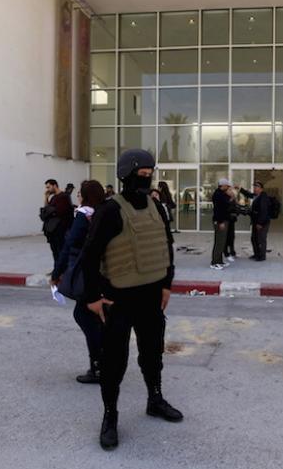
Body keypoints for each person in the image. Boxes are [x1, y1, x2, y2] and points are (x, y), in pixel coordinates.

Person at [82, 149, 183, 451]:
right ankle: (110, 416)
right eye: (141, 174)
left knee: (153, 354)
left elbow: (166, 247)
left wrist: (166, 284)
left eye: (150, 173)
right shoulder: (110, 210)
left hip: (151, 297)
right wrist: (92, 298)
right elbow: (89, 257)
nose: (147, 178)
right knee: (114, 362)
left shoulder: (157, 207)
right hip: (118, 299)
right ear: (126, 175)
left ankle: (155, 399)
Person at [51, 180, 106, 384]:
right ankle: (103, 362)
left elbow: (69, 244)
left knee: (83, 314)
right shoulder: (105, 211)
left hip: (86, 270)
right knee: (98, 317)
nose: (78, 197)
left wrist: (57, 272)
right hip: (105, 272)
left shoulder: (84, 214)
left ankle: (99, 366)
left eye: (80, 194)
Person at [43, 179, 73, 268]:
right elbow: (46, 209)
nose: (47, 189)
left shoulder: (63, 196)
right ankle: (57, 270)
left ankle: (61, 271)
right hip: (53, 230)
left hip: (61, 230)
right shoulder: (53, 197)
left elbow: (58, 212)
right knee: (55, 251)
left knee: (60, 251)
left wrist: (50, 211)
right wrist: (46, 198)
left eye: (48, 187)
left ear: (54, 185)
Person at [238, 181, 271, 261]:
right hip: (255, 221)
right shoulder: (257, 195)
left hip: (262, 223)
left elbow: (264, 211)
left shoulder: (263, 197)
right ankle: (256, 254)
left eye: (257, 187)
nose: (255, 188)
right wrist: (240, 189)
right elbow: (249, 195)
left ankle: (262, 256)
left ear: (261, 189)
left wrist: (260, 223)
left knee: (261, 239)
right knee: (254, 239)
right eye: (254, 187)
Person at [210, 178, 232, 270]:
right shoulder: (218, 195)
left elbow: (228, 202)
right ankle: (214, 262)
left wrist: (231, 196)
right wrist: (221, 222)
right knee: (219, 242)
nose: (228, 187)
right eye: (227, 186)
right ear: (222, 185)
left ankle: (219, 261)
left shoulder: (222, 194)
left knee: (222, 242)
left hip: (224, 220)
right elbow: (219, 210)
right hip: (220, 221)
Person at [224, 187, 240, 262]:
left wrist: (235, 200)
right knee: (227, 238)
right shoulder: (225, 199)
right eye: (229, 190)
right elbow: (226, 209)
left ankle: (232, 252)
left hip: (232, 221)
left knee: (232, 237)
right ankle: (226, 253)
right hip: (226, 221)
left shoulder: (233, 199)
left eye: (231, 190)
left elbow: (236, 208)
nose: (231, 192)